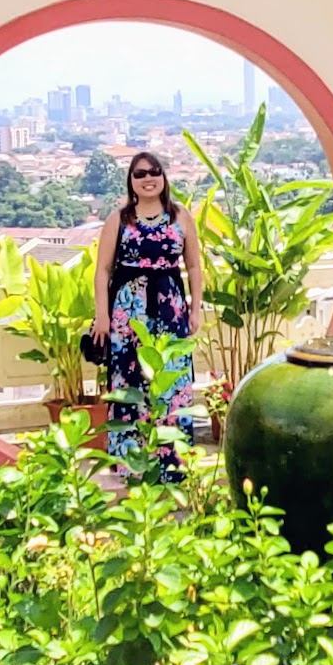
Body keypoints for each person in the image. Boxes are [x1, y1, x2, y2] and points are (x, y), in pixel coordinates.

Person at [92, 151, 204, 474]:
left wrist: (195, 309)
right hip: (128, 313)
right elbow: (102, 270)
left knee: (172, 380)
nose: (148, 178)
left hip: (170, 310)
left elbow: (194, 266)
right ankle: (132, 464)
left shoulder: (180, 216)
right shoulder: (119, 219)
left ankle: (173, 463)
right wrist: (102, 316)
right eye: (140, 174)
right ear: (131, 181)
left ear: (164, 177)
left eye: (154, 171)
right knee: (129, 382)